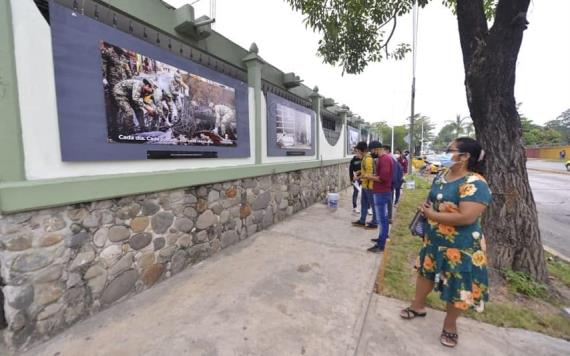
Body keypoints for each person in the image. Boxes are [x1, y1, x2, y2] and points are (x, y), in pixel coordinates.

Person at [399, 137, 491, 349]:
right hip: (433, 240)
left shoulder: (475, 183)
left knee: (458, 285)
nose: (447, 153)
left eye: (451, 150)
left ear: (465, 156)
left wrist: (432, 214)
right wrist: (428, 207)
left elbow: (466, 217)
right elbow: (435, 199)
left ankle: (450, 326)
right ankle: (418, 306)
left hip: (461, 246)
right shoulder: (443, 175)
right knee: (425, 273)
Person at [363, 142, 392, 252]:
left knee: (382, 220)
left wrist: (369, 176)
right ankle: (381, 238)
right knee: (382, 219)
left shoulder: (384, 159)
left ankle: (381, 245)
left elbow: (383, 179)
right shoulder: (384, 159)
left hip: (381, 193)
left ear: (376, 149)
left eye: (372, 151)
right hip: (381, 192)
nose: (372, 153)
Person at [352, 141, 380, 229]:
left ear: (361, 150)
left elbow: (369, 173)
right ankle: (362, 220)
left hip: (369, 187)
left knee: (373, 204)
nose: (357, 153)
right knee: (363, 204)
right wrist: (359, 172)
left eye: (357, 150)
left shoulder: (368, 159)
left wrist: (358, 177)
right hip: (365, 186)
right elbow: (365, 170)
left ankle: (375, 222)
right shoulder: (365, 158)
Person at [383, 145, 403, 222]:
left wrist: (391, 183)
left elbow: (394, 172)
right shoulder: (393, 158)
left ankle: (389, 217)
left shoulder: (390, 158)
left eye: (383, 150)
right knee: (388, 200)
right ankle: (388, 217)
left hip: (389, 183)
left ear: (387, 150)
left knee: (388, 200)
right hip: (391, 183)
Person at [349, 142, 366, 213]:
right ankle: (355, 207)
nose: (357, 153)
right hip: (356, 179)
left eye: (358, 151)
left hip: (364, 178)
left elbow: (365, 170)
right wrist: (351, 179)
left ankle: (367, 208)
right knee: (355, 192)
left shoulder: (365, 159)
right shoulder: (353, 160)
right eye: (356, 151)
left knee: (365, 193)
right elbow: (350, 170)